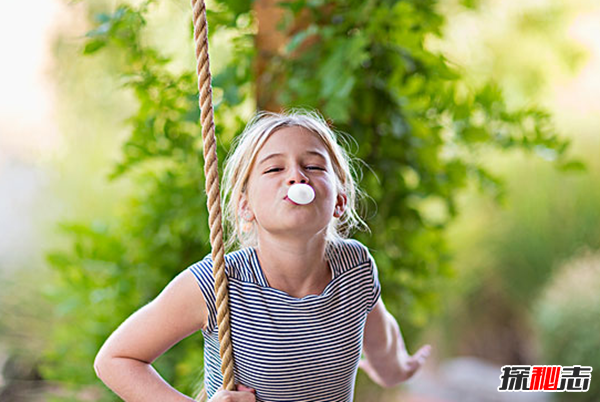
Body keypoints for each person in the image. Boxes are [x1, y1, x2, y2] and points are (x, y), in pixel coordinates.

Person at [94, 110, 431, 402]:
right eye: (273, 170)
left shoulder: (355, 269)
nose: (297, 176)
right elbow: (116, 359)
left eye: (313, 166)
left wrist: (401, 368)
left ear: (340, 201)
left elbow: (382, 344)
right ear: (245, 207)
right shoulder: (218, 283)